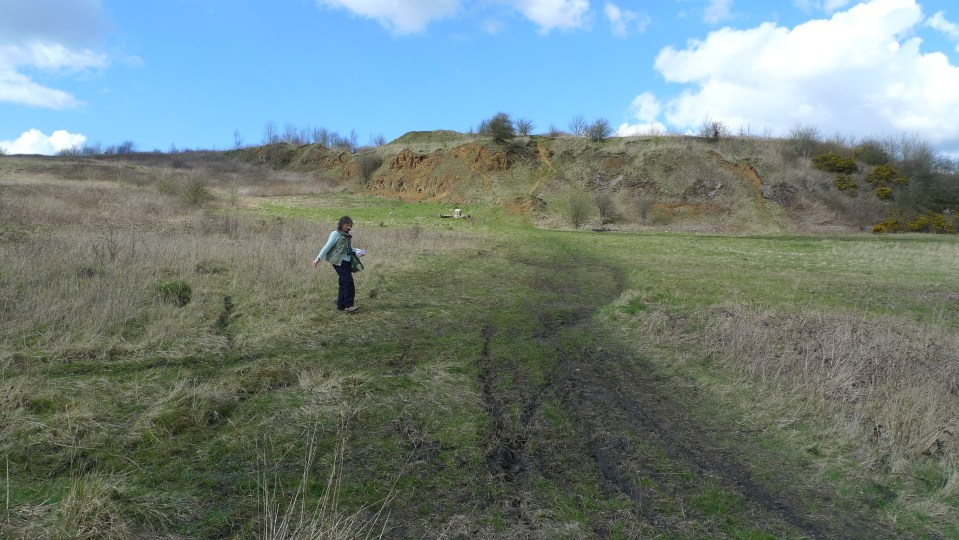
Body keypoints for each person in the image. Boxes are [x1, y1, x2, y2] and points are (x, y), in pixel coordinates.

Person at [312, 216, 365, 313]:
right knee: (348, 282)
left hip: (346, 262)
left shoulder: (346, 235)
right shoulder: (335, 234)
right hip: (339, 262)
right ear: (341, 224)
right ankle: (348, 306)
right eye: (346, 224)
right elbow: (327, 246)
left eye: (350, 225)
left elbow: (348, 248)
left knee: (343, 283)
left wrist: (357, 251)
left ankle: (341, 305)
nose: (348, 227)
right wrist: (318, 258)